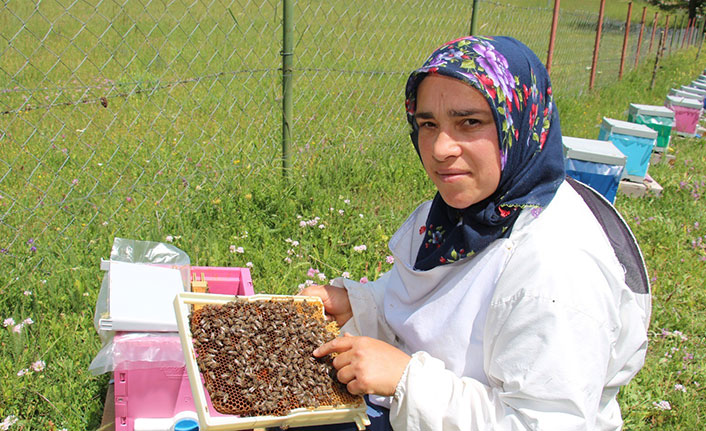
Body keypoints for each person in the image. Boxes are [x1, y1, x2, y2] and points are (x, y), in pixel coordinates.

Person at [300, 36, 651, 430]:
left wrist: (405, 380)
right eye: (428, 124)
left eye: (470, 122)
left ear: (518, 122)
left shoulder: (556, 266)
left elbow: (544, 422)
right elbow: (434, 305)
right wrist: (359, 304)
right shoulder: (462, 212)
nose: (440, 148)